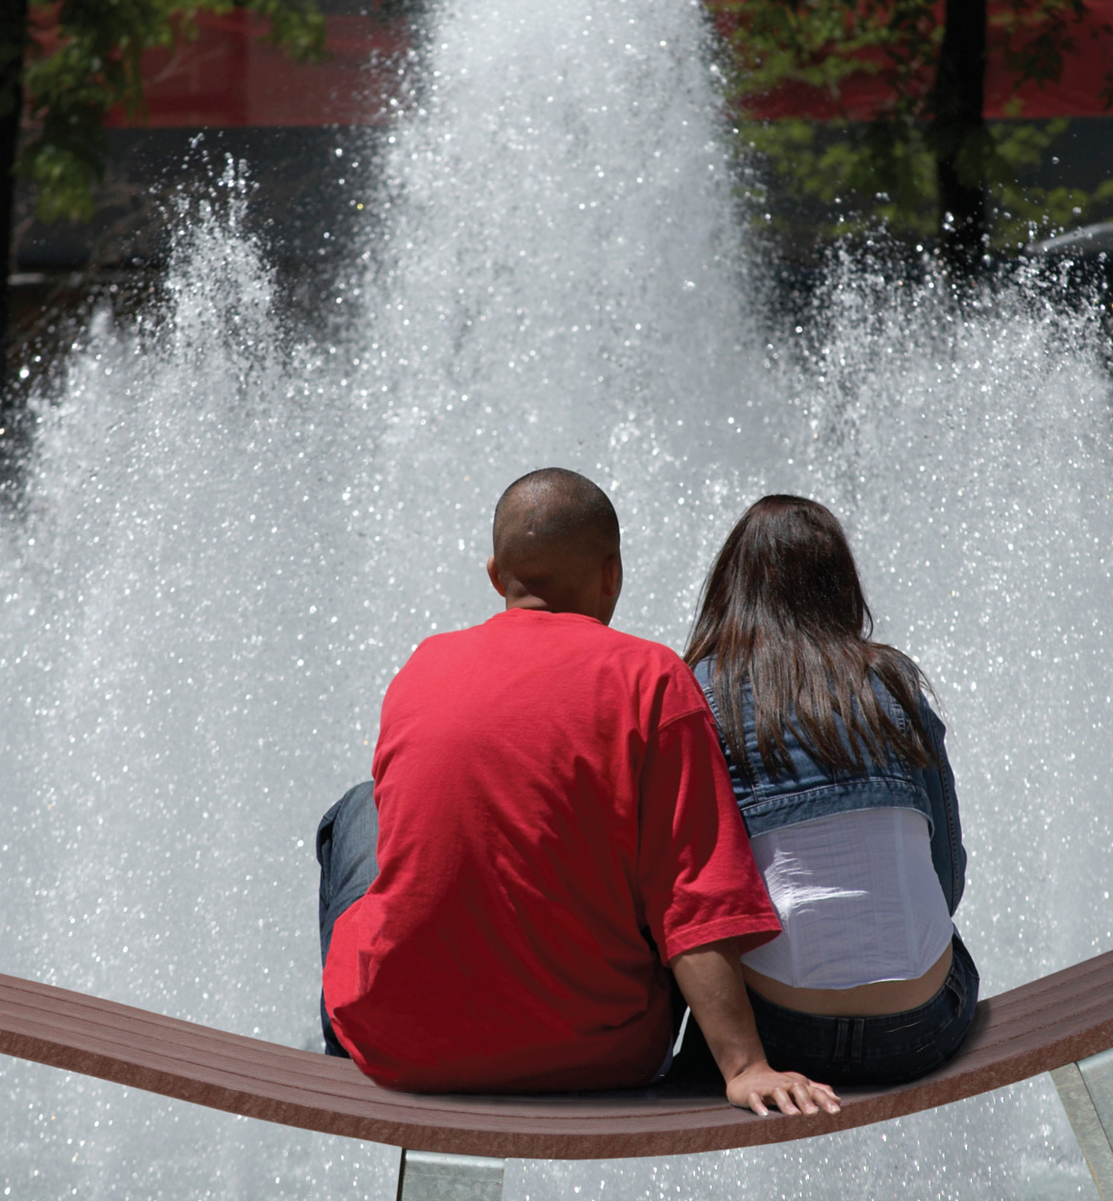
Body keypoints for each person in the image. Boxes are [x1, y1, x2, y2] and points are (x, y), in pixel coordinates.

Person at [316, 469, 841, 1115]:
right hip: (600, 1058)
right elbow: (694, 893)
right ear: (611, 574)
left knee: (363, 806)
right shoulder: (651, 678)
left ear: (494, 574)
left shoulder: (423, 665)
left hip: (398, 1048)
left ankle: (367, 1006)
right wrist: (745, 1065)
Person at [677, 495, 976, 1086]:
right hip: (921, 1028)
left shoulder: (702, 691)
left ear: (731, 587)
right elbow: (947, 872)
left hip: (780, 1035)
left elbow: (698, 891)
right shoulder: (892, 681)